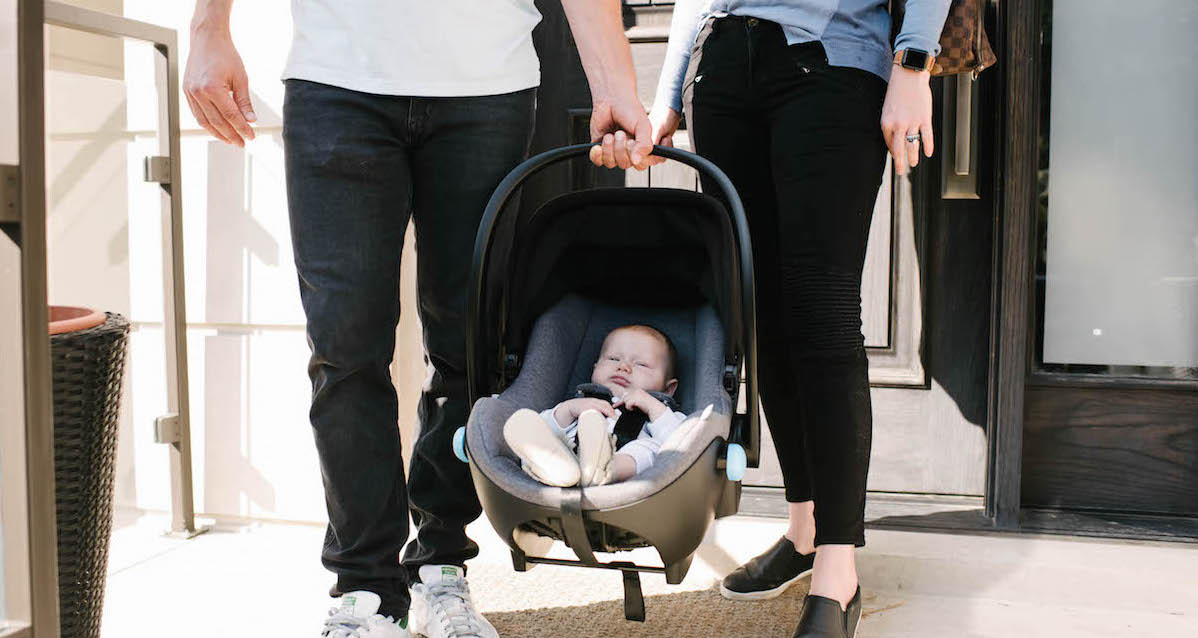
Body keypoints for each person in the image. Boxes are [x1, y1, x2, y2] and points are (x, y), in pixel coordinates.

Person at [182, 1, 654, 636]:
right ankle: (365, 591)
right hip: (336, 78)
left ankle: (441, 564)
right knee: (344, 352)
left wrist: (616, 85)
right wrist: (209, 28)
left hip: (486, 85)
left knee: (467, 348)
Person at [649, 1, 950, 637]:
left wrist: (914, 61)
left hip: (834, 63)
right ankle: (806, 528)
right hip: (725, 64)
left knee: (821, 312)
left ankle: (839, 574)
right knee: (763, 314)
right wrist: (670, 87)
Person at [504, 325, 688, 487]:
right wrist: (568, 410)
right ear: (595, 368)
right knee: (546, 431)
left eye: (641, 364)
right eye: (613, 359)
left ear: (668, 389)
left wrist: (652, 406)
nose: (623, 367)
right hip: (571, 452)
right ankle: (557, 466)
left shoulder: (660, 413)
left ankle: (606, 469)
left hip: (624, 468)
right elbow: (545, 426)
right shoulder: (581, 401)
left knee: (651, 448)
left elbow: (681, 442)